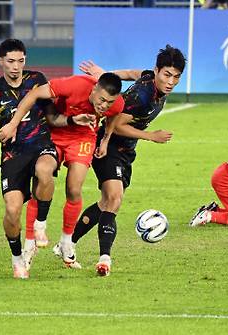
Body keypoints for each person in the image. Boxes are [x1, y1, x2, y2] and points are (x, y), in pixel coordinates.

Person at [71, 45, 186, 276]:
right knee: (114, 198)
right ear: (156, 71)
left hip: (125, 151)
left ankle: (67, 244)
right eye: (166, 75)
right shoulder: (142, 96)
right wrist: (150, 136)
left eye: (176, 77)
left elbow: (134, 73)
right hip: (110, 144)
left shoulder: (150, 81)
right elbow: (118, 122)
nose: (171, 81)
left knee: (106, 202)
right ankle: (104, 259)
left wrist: (106, 75)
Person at [0, 72, 125, 269]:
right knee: (41, 178)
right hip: (55, 133)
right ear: (94, 89)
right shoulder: (74, 85)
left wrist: (106, 139)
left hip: (83, 137)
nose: (104, 106)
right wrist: (13, 124)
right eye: (101, 100)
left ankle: (67, 242)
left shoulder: (116, 104)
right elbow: (33, 95)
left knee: (74, 189)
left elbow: (114, 115)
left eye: (109, 102)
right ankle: (30, 243)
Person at [0, 39, 61, 279]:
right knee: (12, 211)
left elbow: (55, 110)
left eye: (20, 61)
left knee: (45, 171)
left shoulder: (37, 79)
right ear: (1, 61)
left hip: (42, 145)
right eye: (11, 61)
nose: (16, 66)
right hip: (13, 154)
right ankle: (17, 260)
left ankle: (40, 226)